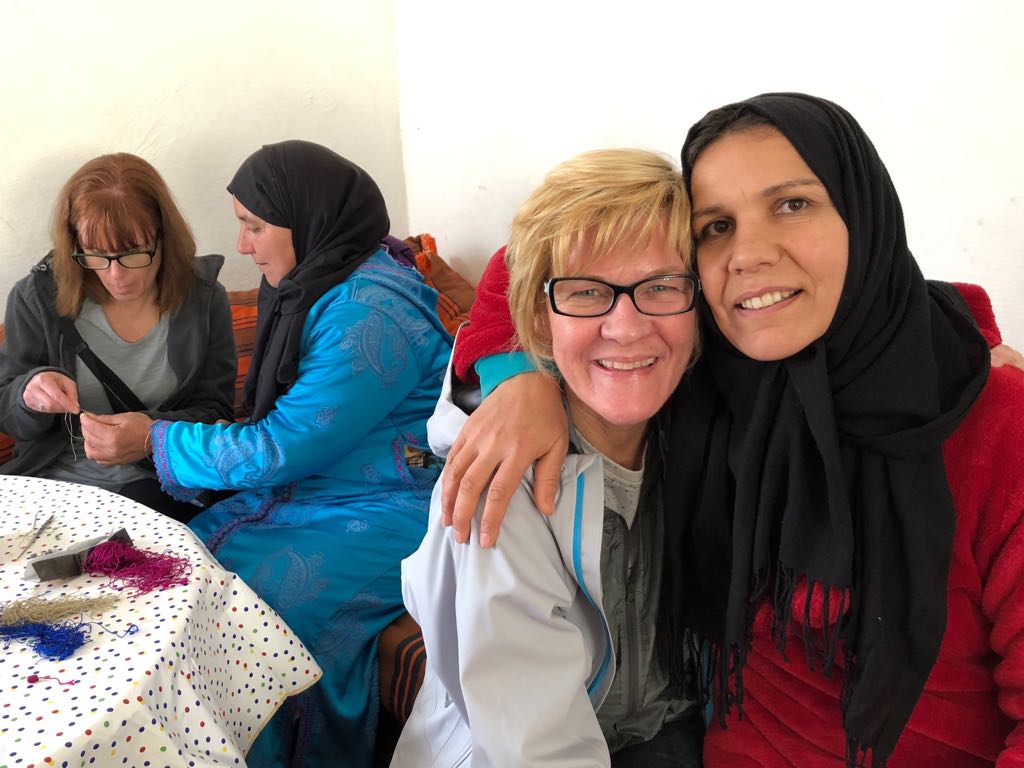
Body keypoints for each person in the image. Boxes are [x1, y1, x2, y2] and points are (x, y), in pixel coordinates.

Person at [439, 94, 1024, 766]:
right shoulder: (721, 372)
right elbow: (536, 255)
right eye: (716, 226)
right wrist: (520, 379)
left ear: (863, 217)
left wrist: (968, 341)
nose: (747, 254)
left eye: (793, 204)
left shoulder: (987, 421)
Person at [144, 140, 453, 767]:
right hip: (318, 491)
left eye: (254, 226)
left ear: (307, 218)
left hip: (391, 504)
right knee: (183, 574)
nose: (243, 246)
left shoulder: (370, 313)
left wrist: (153, 439)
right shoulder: (319, 283)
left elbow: (284, 444)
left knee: (263, 621)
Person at [393, 149, 704, 768]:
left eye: (661, 286)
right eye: (588, 292)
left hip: (670, 727)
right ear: (539, 313)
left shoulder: (703, 427)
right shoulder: (503, 485)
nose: (627, 325)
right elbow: (535, 749)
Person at [0, 152, 236, 522]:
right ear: (74, 243)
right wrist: (29, 395)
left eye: (132, 254)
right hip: (53, 493)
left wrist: (151, 436)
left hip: (161, 489)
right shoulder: (37, 298)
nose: (115, 275)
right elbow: (8, 411)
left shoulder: (202, 299)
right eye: (96, 254)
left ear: (163, 237)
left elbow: (217, 411)